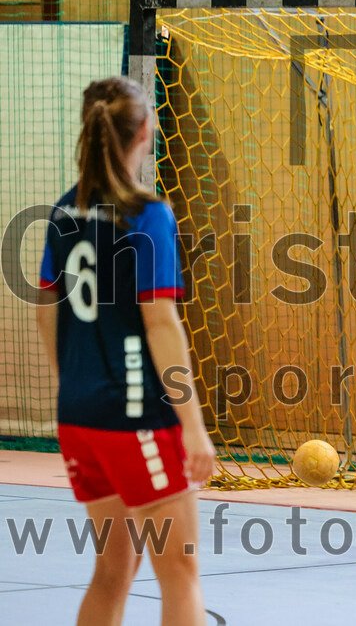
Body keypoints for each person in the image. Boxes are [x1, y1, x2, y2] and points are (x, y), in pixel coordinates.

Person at [35, 76, 215, 626]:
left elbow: (46, 310)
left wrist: (76, 385)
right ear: (144, 131)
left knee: (114, 567)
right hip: (136, 418)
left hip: (79, 416)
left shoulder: (64, 213)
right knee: (180, 576)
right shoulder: (147, 214)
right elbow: (161, 323)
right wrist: (192, 424)